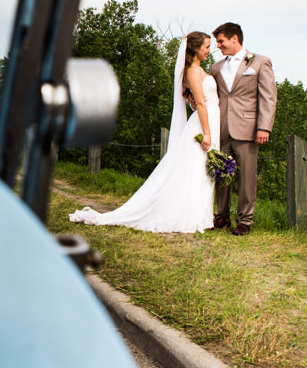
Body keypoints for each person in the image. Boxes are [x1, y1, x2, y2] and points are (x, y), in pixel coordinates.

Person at [69, 32, 220, 233]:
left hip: (209, 119)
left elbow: (196, 101)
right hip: (203, 124)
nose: (209, 50)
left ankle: (203, 216)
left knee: (202, 169)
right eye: (207, 46)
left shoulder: (199, 69)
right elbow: (200, 103)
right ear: (195, 48)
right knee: (194, 169)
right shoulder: (192, 71)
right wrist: (207, 133)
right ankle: (191, 215)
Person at [210, 23, 276, 236]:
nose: (218, 46)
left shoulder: (259, 62)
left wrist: (264, 127)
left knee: (247, 177)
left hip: (247, 129)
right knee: (221, 175)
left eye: (221, 41)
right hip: (221, 128)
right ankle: (221, 216)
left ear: (235, 39)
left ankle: (245, 221)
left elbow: (268, 97)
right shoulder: (216, 68)